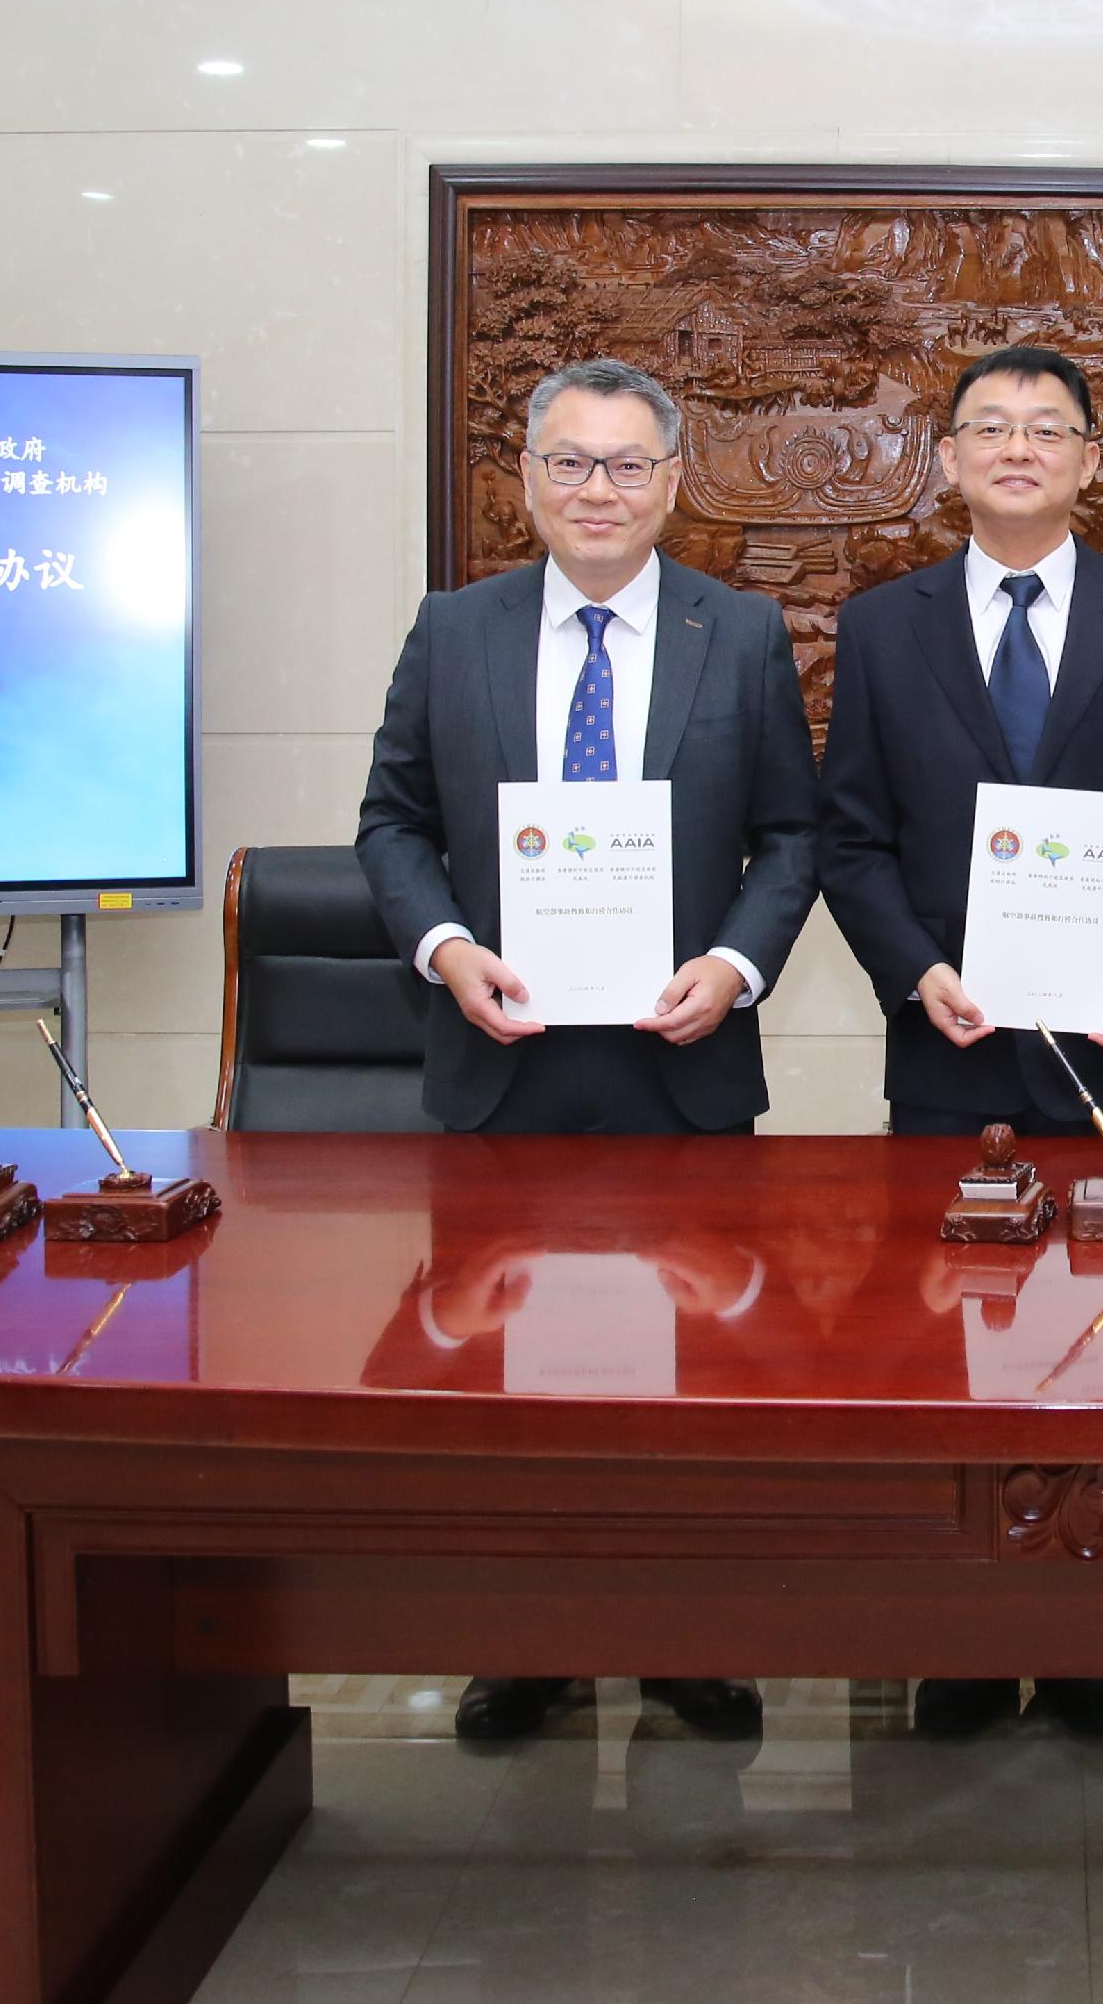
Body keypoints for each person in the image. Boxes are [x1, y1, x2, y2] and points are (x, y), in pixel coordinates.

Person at [356, 355, 822, 1747]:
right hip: (505, 1058)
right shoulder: (457, 629)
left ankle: (689, 1643)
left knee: (691, 1375)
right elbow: (391, 823)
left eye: (626, 465)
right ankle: (530, 1645)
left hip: (679, 1065)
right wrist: (447, 950)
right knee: (514, 1381)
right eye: (569, 463)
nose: (597, 491)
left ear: (673, 483)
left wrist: (733, 967)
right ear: (527, 481)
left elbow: (790, 836)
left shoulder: (738, 634)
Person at [817, 343, 1103, 1744]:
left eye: (1046, 429)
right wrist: (915, 969)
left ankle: (1088, 1640)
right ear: (945, 457)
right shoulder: (883, 627)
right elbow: (854, 837)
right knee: (959, 1350)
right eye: (989, 427)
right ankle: (963, 1640)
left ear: (1090, 459)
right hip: (952, 1055)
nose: (1017, 447)